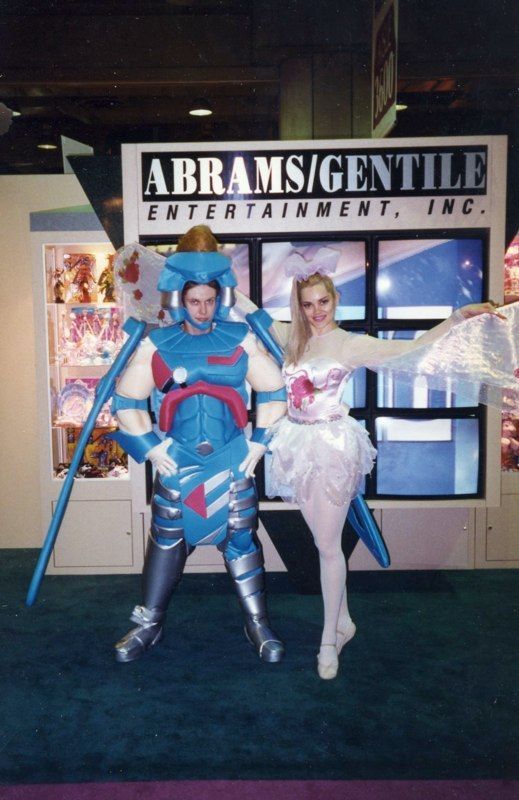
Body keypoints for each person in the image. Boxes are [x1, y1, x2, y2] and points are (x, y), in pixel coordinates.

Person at [237, 265, 509, 680]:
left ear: (335, 299)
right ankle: (343, 621)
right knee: (321, 542)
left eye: (323, 302)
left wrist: (456, 318)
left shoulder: (349, 344)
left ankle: (329, 639)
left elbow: (411, 351)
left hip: (330, 449)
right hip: (296, 446)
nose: (316, 311)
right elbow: (249, 310)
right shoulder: (290, 338)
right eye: (307, 304)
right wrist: (212, 277)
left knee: (328, 547)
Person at [111, 225, 287, 664]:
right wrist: (152, 448)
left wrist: (258, 444)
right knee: (167, 541)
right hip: (178, 459)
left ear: (221, 296)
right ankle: (148, 623)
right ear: (178, 297)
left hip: (232, 458)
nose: (203, 309)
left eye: (209, 300)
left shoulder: (240, 339)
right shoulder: (158, 343)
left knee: (242, 540)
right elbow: (126, 399)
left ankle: (258, 623)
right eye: (194, 301)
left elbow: (275, 390)